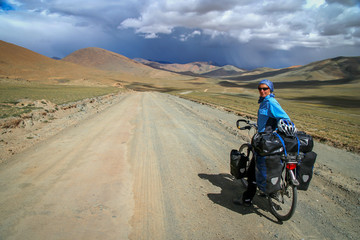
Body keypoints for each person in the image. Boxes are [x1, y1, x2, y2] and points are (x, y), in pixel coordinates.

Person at [233, 79, 291, 206]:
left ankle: (247, 199)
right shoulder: (264, 102)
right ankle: (270, 190)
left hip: (266, 143)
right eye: (260, 88)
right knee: (269, 165)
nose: (262, 91)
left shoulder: (271, 102)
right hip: (264, 139)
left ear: (271, 89)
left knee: (253, 170)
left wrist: (275, 130)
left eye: (265, 88)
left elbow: (285, 118)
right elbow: (267, 120)